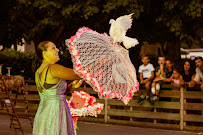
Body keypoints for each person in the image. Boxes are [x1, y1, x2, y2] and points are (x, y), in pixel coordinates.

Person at [33, 41, 82, 135]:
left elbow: (53, 93)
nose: (57, 50)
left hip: (44, 112)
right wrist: (94, 66)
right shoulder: (52, 68)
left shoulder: (38, 72)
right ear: (45, 53)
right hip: (55, 113)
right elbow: (77, 74)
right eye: (53, 48)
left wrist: (71, 86)